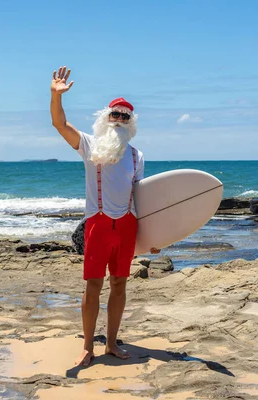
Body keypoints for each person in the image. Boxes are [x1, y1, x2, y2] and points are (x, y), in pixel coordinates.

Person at [50, 66, 160, 367]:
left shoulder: (137, 156)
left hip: (126, 224)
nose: (119, 120)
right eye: (115, 114)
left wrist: (155, 237)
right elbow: (59, 124)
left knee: (120, 284)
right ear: (106, 117)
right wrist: (55, 96)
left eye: (125, 116)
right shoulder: (90, 145)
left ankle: (111, 343)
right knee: (93, 285)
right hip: (97, 224)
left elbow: (141, 198)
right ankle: (88, 346)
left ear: (131, 123)